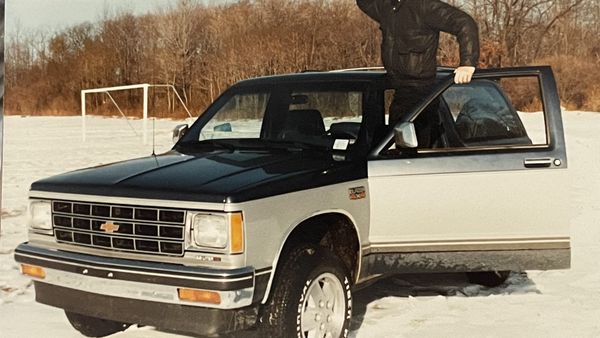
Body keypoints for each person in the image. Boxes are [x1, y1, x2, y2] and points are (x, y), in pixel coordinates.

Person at [357, 0, 479, 147]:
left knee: (415, 155)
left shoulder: (425, 6)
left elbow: (464, 23)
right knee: (396, 153)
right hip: (399, 92)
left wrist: (467, 63)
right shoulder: (387, 7)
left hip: (422, 97)